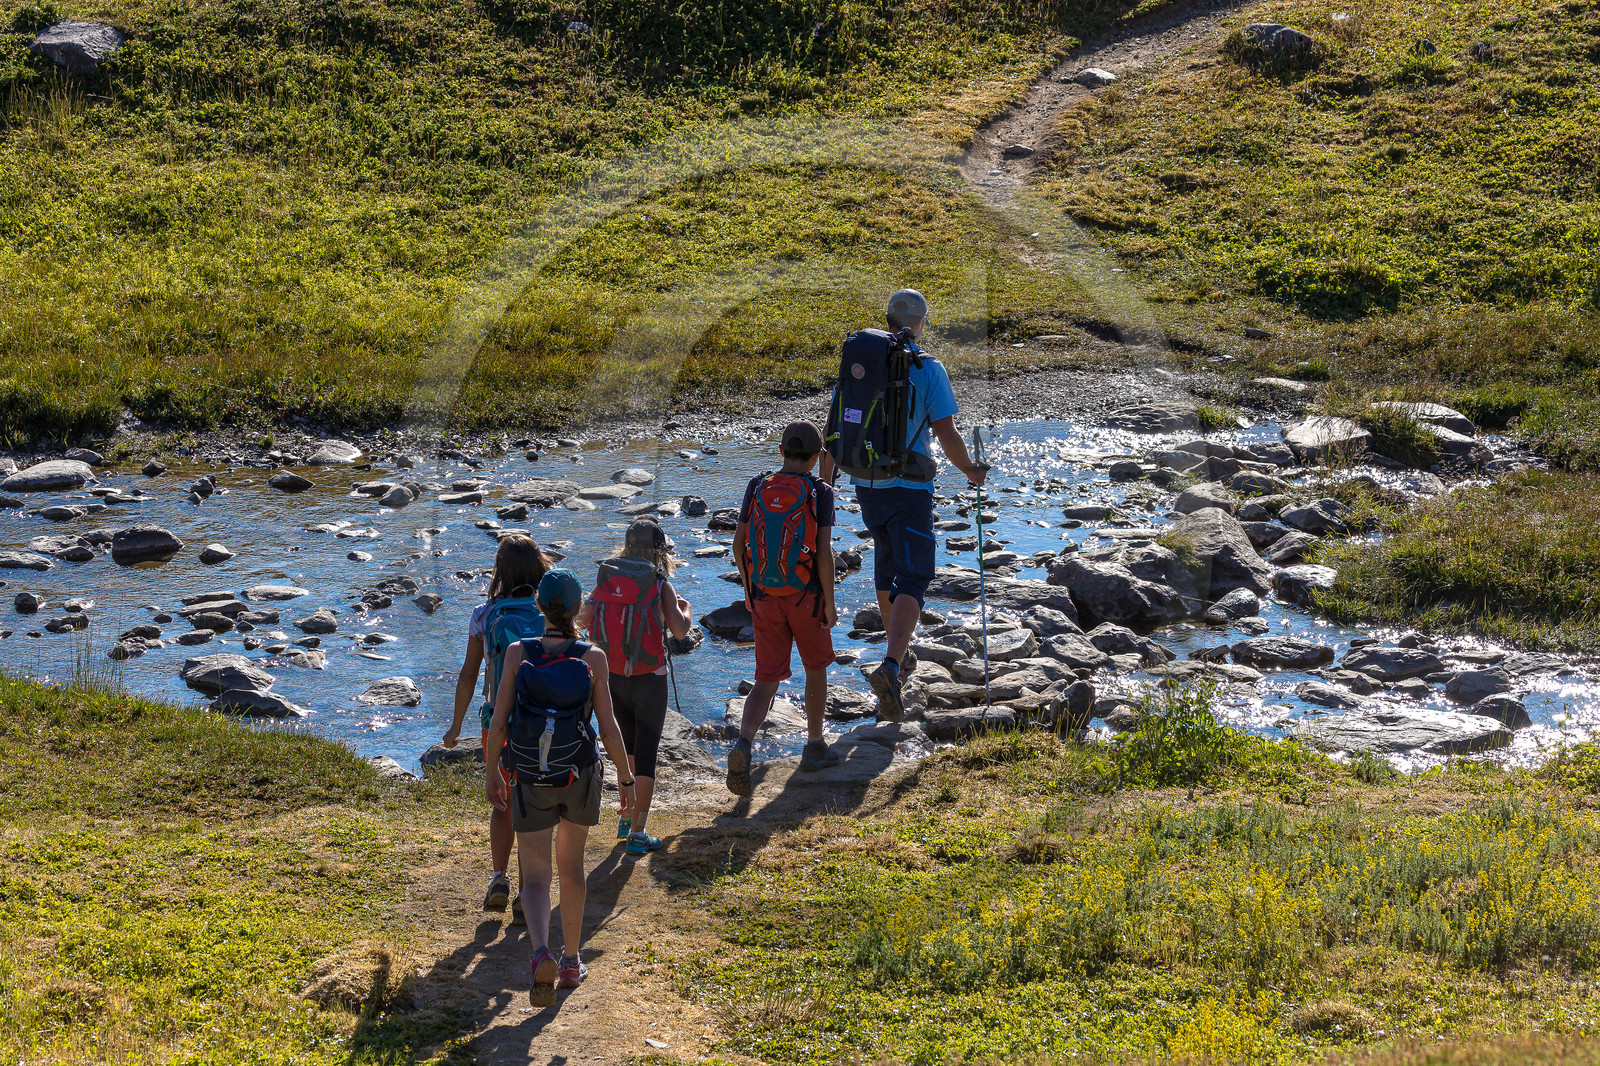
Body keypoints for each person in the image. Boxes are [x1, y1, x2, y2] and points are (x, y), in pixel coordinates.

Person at [820, 288, 987, 721]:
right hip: (910, 487)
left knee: (886, 561)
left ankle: (901, 653)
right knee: (914, 575)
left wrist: (826, 483)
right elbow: (946, 433)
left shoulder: (861, 363)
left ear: (888, 319)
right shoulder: (928, 368)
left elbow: (834, 424)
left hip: (866, 481)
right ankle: (892, 665)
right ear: (920, 323)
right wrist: (970, 470)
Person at [484, 568, 636, 1007]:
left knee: (535, 876)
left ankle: (539, 953)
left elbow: (499, 723)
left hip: (530, 775)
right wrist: (626, 778)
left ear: (539, 608)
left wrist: (494, 770)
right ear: (579, 610)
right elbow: (607, 727)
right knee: (571, 871)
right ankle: (571, 960)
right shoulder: (593, 658)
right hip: (578, 774)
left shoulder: (518, 653)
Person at [726, 419, 840, 797]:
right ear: (815, 457)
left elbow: (739, 543)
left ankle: (743, 742)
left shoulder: (758, 485)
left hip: (763, 595)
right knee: (815, 668)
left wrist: (749, 588)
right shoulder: (819, 491)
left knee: (766, 678)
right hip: (806, 595)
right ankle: (814, 745)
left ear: (780, 453)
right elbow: (823, 553)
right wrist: (830, 602)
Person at [441, 534, 549, 923]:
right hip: (542, 726)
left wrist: (455, 727)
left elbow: (470, 674)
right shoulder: (550, 610)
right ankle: (526, 893)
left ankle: (499, 878)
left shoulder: (484, 614)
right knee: (531, 806)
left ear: (499, 571)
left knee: (501, 801)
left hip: (495, 723)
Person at [577, 518, 694, 855]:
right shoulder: (660, 586)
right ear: (659, 551)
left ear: (626, 546)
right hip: (649, 678)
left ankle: (625, 818)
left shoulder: (605, 580)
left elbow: (582, 622)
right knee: (645, 754)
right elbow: (680, 631)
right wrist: (686, 609)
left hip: (611, 676)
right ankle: (638, 832)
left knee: (624, 748)